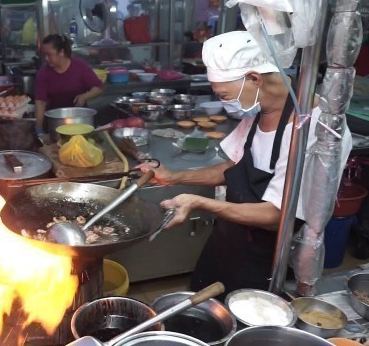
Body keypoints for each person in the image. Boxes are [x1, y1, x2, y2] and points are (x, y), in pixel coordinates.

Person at [140, 31, 353, 298]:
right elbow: (232, 168)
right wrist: (172, 175)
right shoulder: (261, 108)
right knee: (202, 309)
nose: (223, 102)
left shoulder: (315, 131)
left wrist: (200, 203)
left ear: (254, 78)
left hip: (268, 257)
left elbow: (277, 217)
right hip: (228, 238)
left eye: (225, 94)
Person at [34, 34, 104, 135]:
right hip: (55, 124)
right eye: (44, 54)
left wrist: (84, 96)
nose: (46, 58)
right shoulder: (43, 73)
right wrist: (39, 128)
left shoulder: (80, 66)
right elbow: (40, 102)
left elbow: (98, 87)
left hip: (80, 122)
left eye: (49, 54)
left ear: (61, 52)